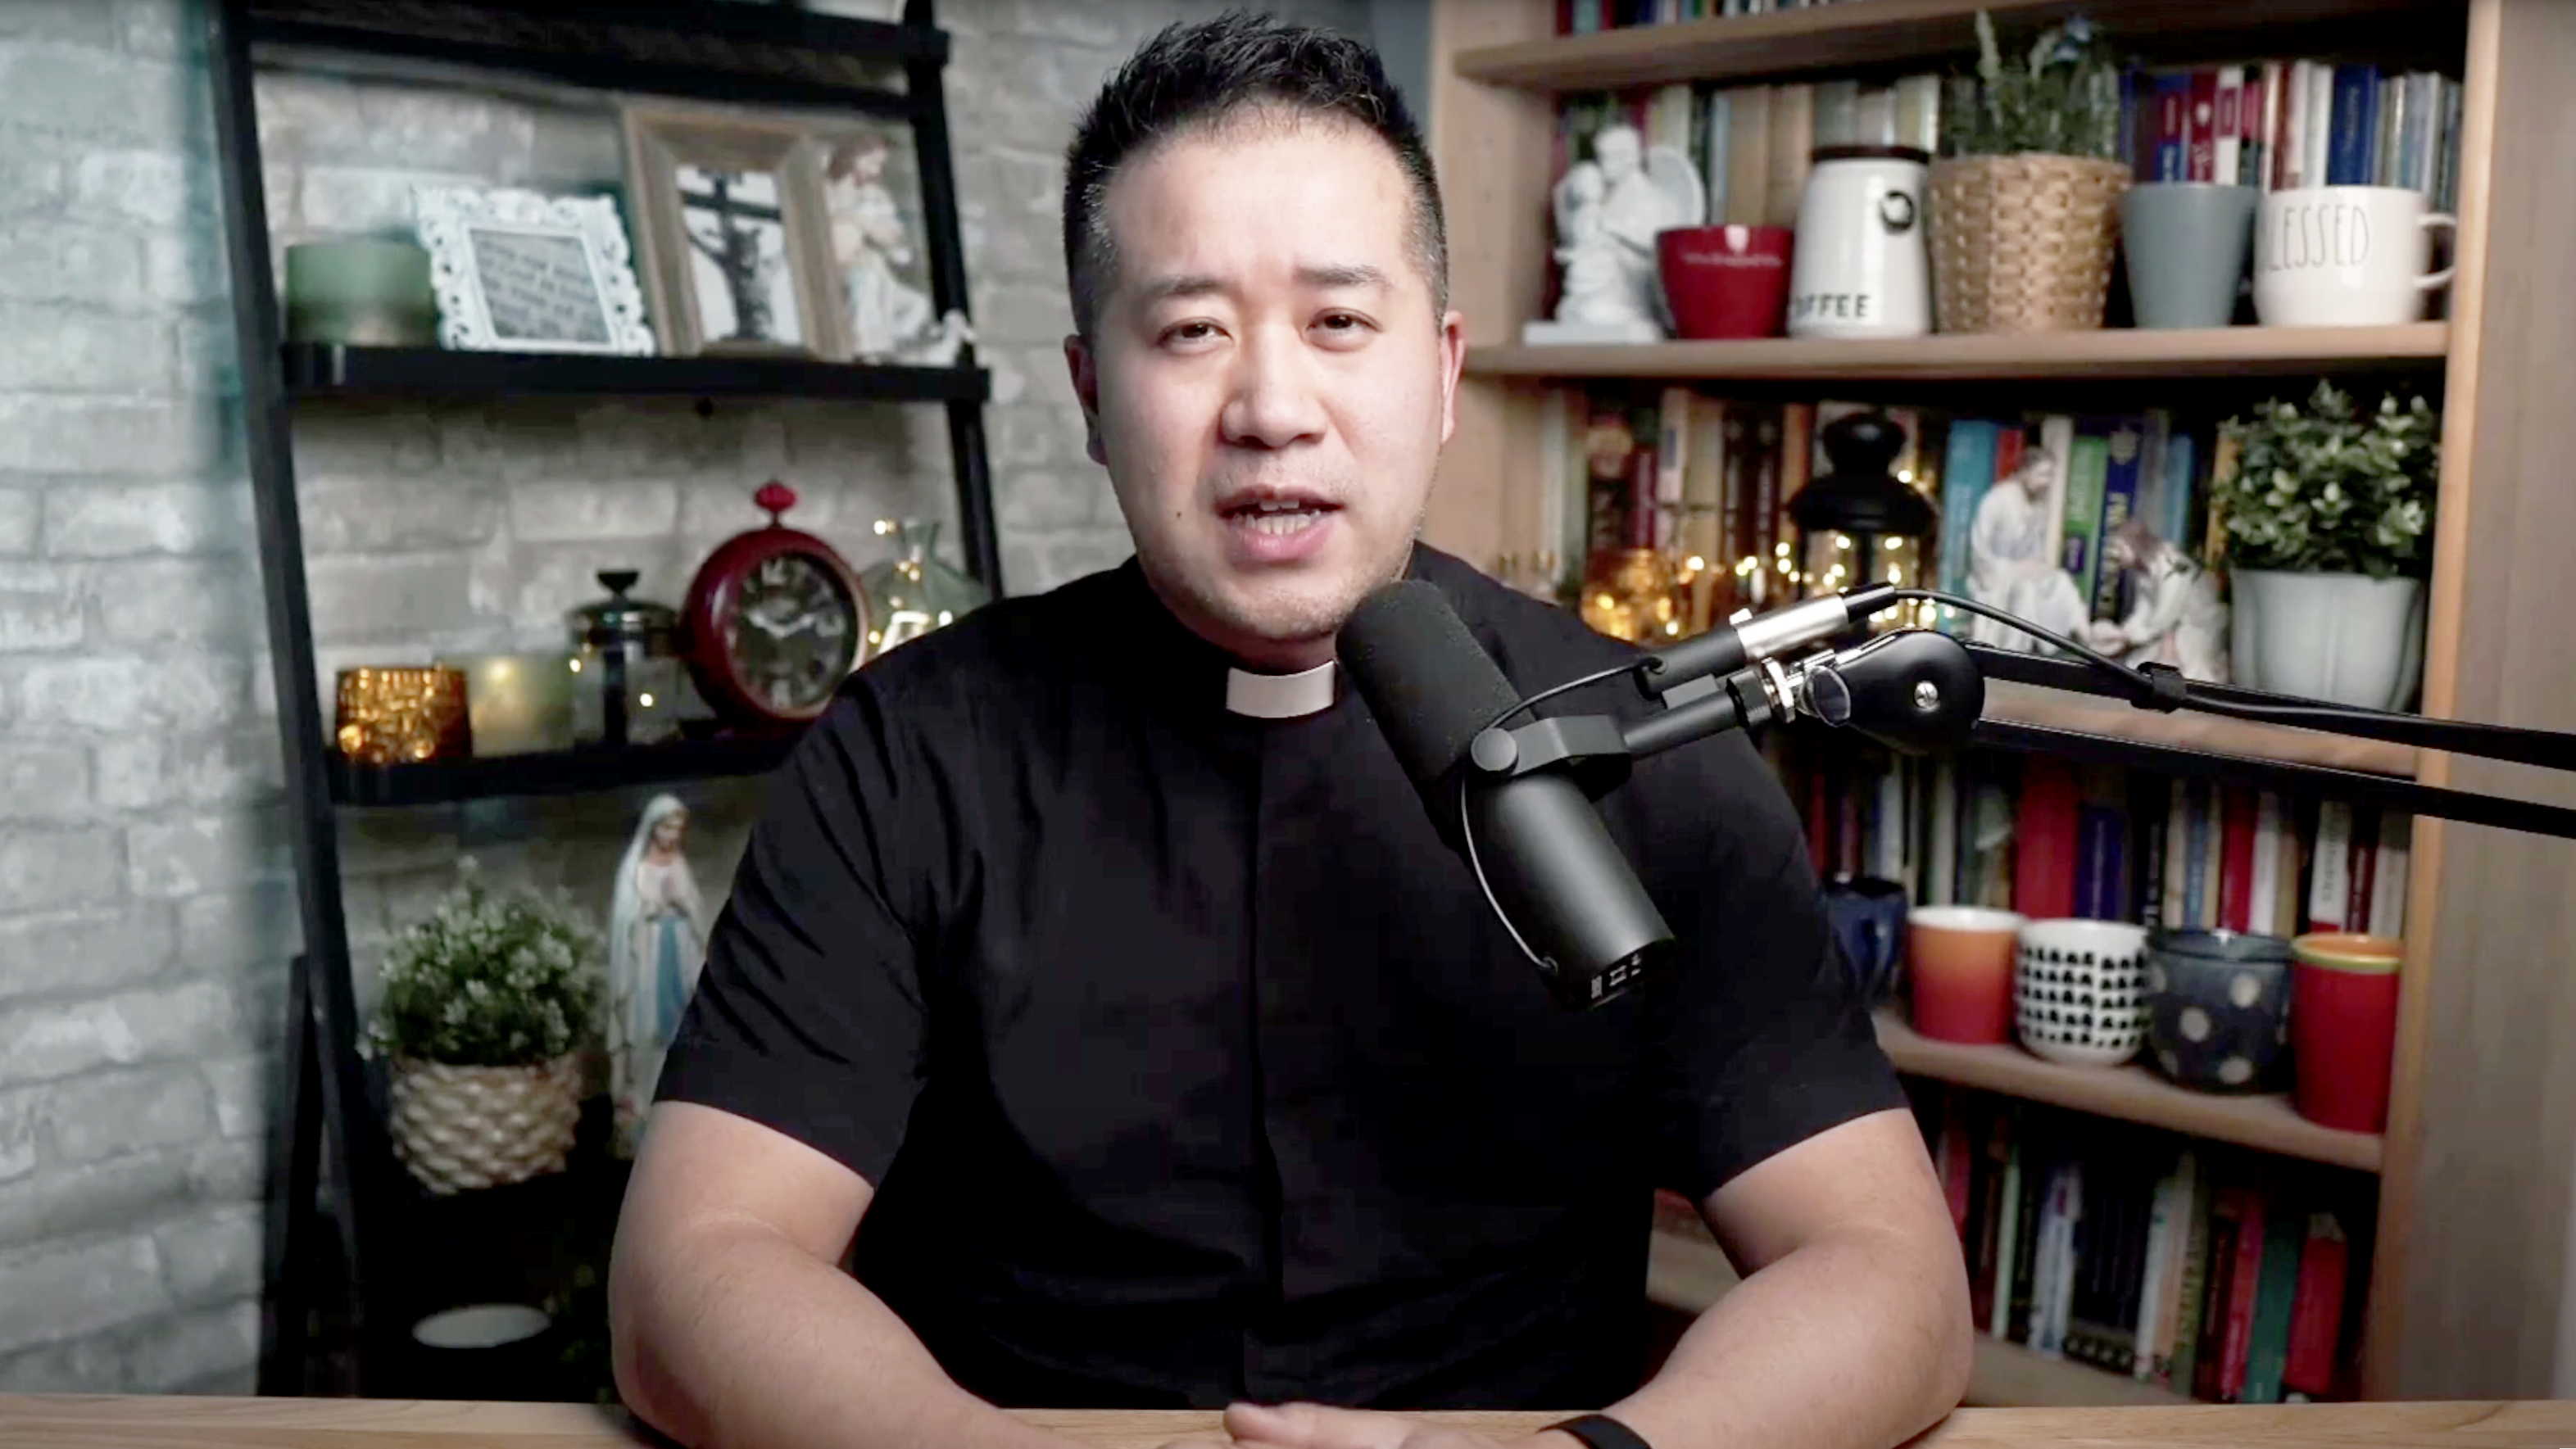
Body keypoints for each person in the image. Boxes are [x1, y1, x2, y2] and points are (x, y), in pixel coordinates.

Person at [607, 16, 1971, 1449]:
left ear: (1440, 371)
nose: (1268, 408)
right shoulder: (908, 755)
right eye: (1190, 331)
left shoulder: (1651, 746)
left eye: (1337, 323)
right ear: (1090, 391)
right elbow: (693, 1267)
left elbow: (1885, 1278)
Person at [605, 794, 709, 1158]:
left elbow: (695, 911)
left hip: (677, 958)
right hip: (647, 966)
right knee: (646, 1035)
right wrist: (647, 911)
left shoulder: (679, 864)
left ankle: (677, 1106)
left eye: (678, 828)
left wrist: (681, 905)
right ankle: (643, 1103)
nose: (672, 835)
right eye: (667, 826)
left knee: (680, 1033)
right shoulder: (635, 868)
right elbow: (625, 922)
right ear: (652, 827)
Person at [1966, 440, 2090, 652]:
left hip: (2024, 573)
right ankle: (2015, 650)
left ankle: (2086, 637)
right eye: (2043, 474)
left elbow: (2035, 551)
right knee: (2026, 591)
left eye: (2050, 476)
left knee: (2062, 582)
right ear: (2025, 471)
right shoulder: (1997, 500)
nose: (2047, 482)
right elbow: (1979, 549)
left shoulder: (2038, 507)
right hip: (1996, 577)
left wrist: (2037, 566)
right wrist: (2010, 569)